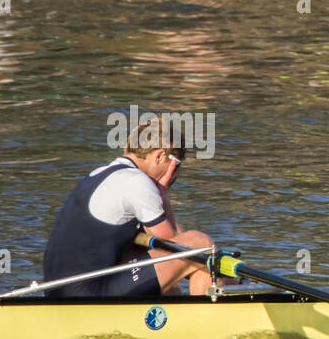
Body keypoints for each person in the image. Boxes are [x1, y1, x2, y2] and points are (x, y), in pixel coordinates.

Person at [43, 115, 219, 297]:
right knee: (200, 244)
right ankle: (208, 317)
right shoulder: (137, 182)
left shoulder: (99, 173)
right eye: (175, 165)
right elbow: (174, 247)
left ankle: (173, 316)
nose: (174, 173)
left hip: (59, 289)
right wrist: (163, 195)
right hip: (90, 293)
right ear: (159, 156)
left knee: (141, 250)